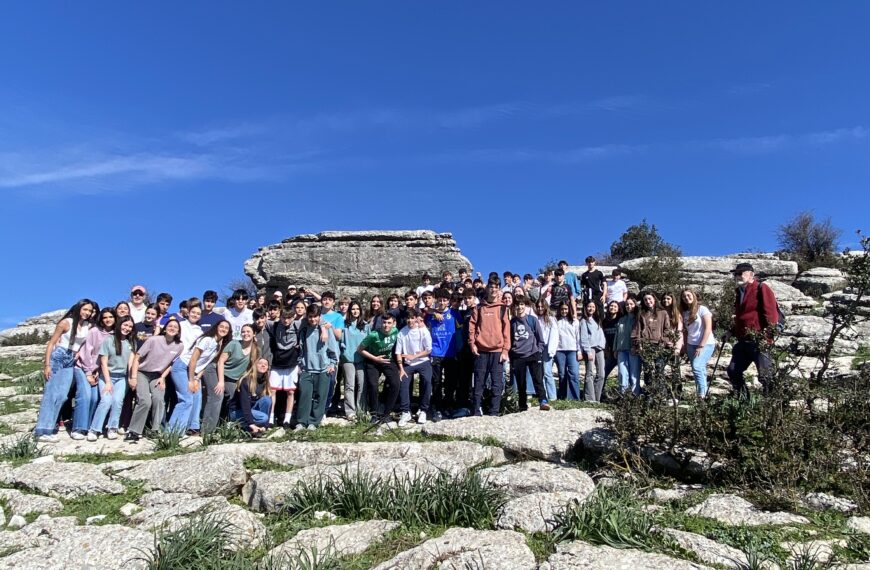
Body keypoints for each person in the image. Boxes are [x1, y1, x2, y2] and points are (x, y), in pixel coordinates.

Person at [34, 300, 96, 442]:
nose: (87, 313)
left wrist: (79, 352)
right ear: (78, 308)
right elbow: (51, 343)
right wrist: (47, 365)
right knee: (51, 393)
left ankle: (49, 428)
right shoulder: (66, 322)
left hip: (71, 359)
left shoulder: (88, 325)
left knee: (62, 396)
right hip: (59, 356)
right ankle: (43, 430)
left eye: (90, 311)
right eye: (85, 309)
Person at [126, 317, 184, 442]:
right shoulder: (153, 340)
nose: (172, 328)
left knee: (159, 399)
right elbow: (137, 357)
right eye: (170, 326)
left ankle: (155, 429)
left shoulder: (179, 346)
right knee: (145, 401)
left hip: (157, 375)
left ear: (178, 331)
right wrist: (133, 377)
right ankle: (134, 431)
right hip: (142, 372)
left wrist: (163, 377)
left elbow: (171, 364)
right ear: (165, 328)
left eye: (176, 327)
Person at [726, 262, 780, 396]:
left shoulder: (761, 288)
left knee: (765, 376)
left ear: (751, 275)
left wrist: (767, 338)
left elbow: (771, 315)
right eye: (736, 274)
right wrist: (731, 331)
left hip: (759, 340)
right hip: (743, 341)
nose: (738, 276)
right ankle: (744, 401)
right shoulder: (739, 292)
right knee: (733, 370)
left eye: (741, 273)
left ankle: (772, 405)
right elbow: (742, 317)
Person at [204, 323, 258, 435]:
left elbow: (249, 369)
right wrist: (221, 382)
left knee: (233, 399)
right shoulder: (234, 344)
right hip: (215, 371)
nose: (245, 334)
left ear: (254, 334)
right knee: (217, 396)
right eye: (243, 331)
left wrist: (240, 379)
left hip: (232, 378)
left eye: (248, 331)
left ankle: (224, 426)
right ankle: (207, 431)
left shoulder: (254, 350)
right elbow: (220, 362)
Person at [70, 308, 116, 439]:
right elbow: (86, 352)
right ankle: (78, 428)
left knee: (95, 398)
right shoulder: (94, 332)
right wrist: (89, 372)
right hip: (83, 367)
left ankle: (88, 426)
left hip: (96, 371)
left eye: (111, 317)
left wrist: (97, 371)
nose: (108, 320)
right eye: (105, 317)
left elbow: (107, 358)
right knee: (85, 396)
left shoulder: (114, 335)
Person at [87, 315, 135, 441]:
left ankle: (112, 428)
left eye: (130, 326)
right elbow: (103, 362)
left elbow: (130, 364)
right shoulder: (109, 340)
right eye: (125, 325)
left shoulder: (130, 343)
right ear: (119, 325)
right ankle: (94, 429)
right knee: (106, 400)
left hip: (122, 378)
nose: (127, 328)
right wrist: (108, 382)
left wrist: (131, 378)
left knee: (117, 401)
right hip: (107, 376)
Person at [468, 281, 511, 416]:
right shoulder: (479, 307)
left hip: (497, 351)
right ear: (487, 289)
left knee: (497, 383)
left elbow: (506, 330)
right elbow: (472, 326)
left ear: (499, 290)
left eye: (496, 287)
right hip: (481, 350)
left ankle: (494, 412)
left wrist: (505, 350)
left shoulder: (503, 308)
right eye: (491, 287)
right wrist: (472, 344)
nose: (493, 289)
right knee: (479, 382)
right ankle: (476, 411)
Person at [295, 305, 338, 430]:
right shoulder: (304, 330)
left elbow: (332, 349)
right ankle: (302, 421)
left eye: (315, 317)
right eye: (310, 317)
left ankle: (314, 422)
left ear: (319, 317)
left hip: (323, 369)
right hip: (307, 369)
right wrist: (300, 364)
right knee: (304, 396)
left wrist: (332, 364)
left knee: (321, 396)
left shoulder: (326, 329)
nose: (313, 319)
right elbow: (301, 350)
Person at [186, 320, 233, 434]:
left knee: (201, 398)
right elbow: (194, 359)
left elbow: (204, 363)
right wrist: (192, 379)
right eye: (221, 326)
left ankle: (203, 429)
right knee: (212, 396)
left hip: (199, 372)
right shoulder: (208, 340)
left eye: (226, 328)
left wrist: (197, 378)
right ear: (216, 327)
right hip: (187, 368)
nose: (223, 329)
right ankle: (205, 430)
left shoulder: (220, 343)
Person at [166, 299, 204, 434]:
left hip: (192, 365)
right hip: (180, 362)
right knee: (185, 397)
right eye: (193, 312)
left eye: (198, 313)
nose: (195, 315)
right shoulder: (181, 325)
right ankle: (173, 431)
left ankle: (192, 426)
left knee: (197, 394)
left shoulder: (200, 330)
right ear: (188, 312)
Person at [358, 313, 401, 424]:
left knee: (395, 384)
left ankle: (386, 413)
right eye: (384, 322)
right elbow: (360, 349)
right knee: (373, 385)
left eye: (389, 323)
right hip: (373, 361)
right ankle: (374, 413)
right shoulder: (374, 335)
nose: (386, 325)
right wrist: (375, 359)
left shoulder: (396, 331)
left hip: (387, 360)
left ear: (393, 323)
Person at [425, 288, 461, 421]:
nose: (442, 302)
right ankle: (437, 408)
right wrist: (433, 311)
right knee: (436, 382)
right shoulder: (430, 315)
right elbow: (422, 314)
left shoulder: (454, 313)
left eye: (444, 300)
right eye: (439, 300)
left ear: (448, 302)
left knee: (450, 382)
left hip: (451, 353)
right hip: (435, 353)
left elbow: (461, 329)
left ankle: (448, 406)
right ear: (436, 300)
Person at [509, 296, 549, 411]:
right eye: (517, 305)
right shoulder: (512, 322)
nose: (520, 307)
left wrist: (539, 350)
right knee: (521, 383)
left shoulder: (532, 320)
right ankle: (522, 405)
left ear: (525, 306)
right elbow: (510, 340)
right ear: (514, 307)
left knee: (538, 379)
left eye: (522, 304)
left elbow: (540, 338)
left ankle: (543, 401)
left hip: (533, 354)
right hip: (518, 355)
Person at [267, 304, 303, 427]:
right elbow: (259, 321)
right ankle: (270, 418)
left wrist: (324, 329)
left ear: (294, 317)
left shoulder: (298, 324)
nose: (286, 320)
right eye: (283, 317)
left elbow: (317, 319)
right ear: (280, 316)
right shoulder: (274, 325)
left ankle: (287, 419)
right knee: (272, 391)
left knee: (290, 392)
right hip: (277, 362)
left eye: (289, 317)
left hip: (292, 363)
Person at [395, 308, 433, 425]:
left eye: (412, 318)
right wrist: (401, 369)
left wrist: (414, 356)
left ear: (416, 318)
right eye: (408, 318)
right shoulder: (402, 332)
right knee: (403, 382)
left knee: (427, 380)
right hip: (407, 364)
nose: (410, 321)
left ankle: (423, 410)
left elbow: (428, 350)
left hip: (423, 361)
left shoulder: (423, 331)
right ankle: (405, 412)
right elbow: (398, 353)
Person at [632, 291, 672, 393]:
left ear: (654, 299)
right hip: (646, 346)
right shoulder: (641, 314)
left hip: (659, 345)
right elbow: (637, 330)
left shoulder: (663, 313)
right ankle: (649, 393)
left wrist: (663, 341)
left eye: (650, 299)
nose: (648, 301)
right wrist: (638, 344)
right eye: (645, 300)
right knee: (647, 370)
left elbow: (667, 329)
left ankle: (660, 394)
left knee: (659, 369)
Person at [680, 289, 717, 397]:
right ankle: (702, 392)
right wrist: (685, 345)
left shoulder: (702, 309)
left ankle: (701, 395)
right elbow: (686, 331)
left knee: (697, 367)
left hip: (705, 344)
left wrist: (701, 346)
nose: (687, 298)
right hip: (691, 344)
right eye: (684, 297)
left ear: (694, 295)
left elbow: (708, 328)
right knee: (699, 369)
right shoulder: (685, 312)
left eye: (688, 295)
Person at [340, 301, 370, 421]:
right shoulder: (344, 324)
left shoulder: (366, 325)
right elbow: (340, 340)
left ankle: (361, 409)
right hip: (348, 358)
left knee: (362, 385)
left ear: (360, 311)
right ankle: (350, 411)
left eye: (357, 309)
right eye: (353, 309)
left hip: (361, 359)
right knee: (349, 385)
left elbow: (369, 342)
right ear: (349, 311)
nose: (355, 311)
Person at [229, 357, 273, 434]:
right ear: (255, 366)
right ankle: (244, 426)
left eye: (265, 364)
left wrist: (265, 426)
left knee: (267, 400)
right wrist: (251, 423)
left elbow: (268, 405)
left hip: (252, 410)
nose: (263, 365)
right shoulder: (246, 381)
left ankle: (260, 427)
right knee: (263, 417)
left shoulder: (264, 381)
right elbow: (245, 404)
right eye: (260, 363)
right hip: (237, 411)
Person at [579, 301, 606, 402]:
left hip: (600, 348)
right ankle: (589, 398)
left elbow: (601, 335)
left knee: (601, 374)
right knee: (589, 373)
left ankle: (597, 397)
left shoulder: (597, 320)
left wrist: (603, 346)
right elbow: (584, 337)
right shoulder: (584, 321)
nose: (591, 308)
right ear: (585, 308)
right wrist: (587, 351)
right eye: (589, 306)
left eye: (593, 307)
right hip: (590, 348)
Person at [554, 301, 582, 400]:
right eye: (562, 309)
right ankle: (563, 395)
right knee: (562, 374)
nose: (564, 311)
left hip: (572, 350)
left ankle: (574, 397)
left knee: (574, 373)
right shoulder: (556, 321)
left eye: (566, 309)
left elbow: (578, 337)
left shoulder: (575, 321)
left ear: (569, 309)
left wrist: (579, 351)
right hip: (560, 351)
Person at [534, 299, 559, 401]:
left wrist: (551, 350)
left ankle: (552, 396)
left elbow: (554, 335)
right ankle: (543, 395)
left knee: (547, 372)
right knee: (540, 373)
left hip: (547, 348)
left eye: (542, 306)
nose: (540, 308)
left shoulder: (551, 319)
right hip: (537, 348)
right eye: (538, 307)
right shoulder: (535, 319)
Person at [615, 296, 641, 394]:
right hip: (621, 350)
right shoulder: (621, 319)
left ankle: (635, 396)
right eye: (627, 304)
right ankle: (623, 396)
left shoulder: (638, 319)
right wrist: (615, 349)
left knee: (634, 374)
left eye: (631, 304)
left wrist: (636, 346)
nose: (628, 306)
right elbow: (617, 335)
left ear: (635, 305)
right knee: (622, 373)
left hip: (633, 350)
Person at [601, 301, 622, 380]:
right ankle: (599, 391)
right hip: (610, 352)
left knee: (623, 374)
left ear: (618, 308)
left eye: (615, 306)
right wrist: (606, 349)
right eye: (611, 306)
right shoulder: (605, 321)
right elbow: (603, 337)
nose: (612, 308)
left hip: (620, 350)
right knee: (604, 372)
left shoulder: (620, 320)